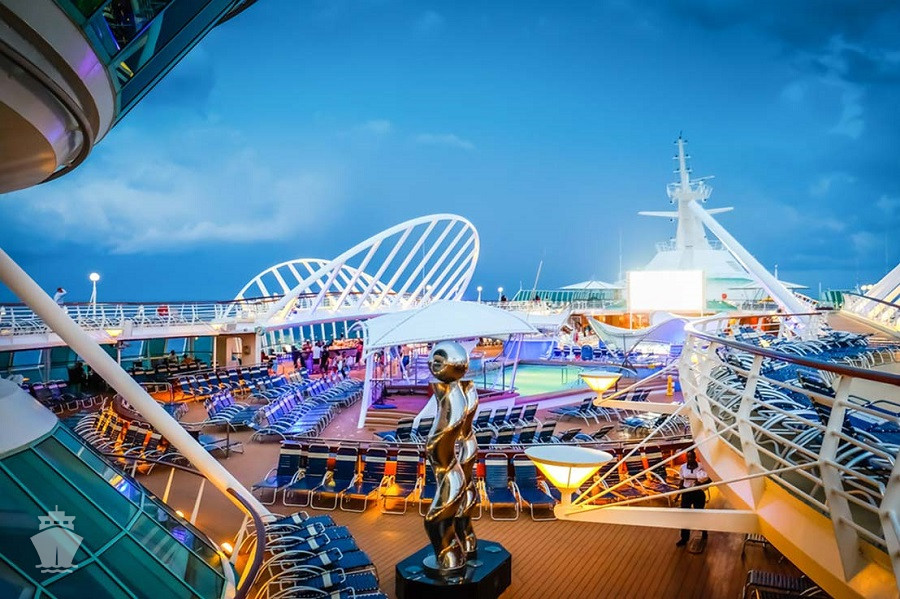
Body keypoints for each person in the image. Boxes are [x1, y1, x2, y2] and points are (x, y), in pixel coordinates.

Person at [676, 449, 709, 547]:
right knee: (685, 515)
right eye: (688, 457)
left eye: (691, 457)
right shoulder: (683, 467)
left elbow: (709, 479)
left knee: (699, 513)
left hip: (698, 493)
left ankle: (704, 532)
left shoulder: (701, 466)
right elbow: (681, 481)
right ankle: (684, 538)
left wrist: (700, 483)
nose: (689, 459)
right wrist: (678, 494)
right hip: (686, 493)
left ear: (695, 457)